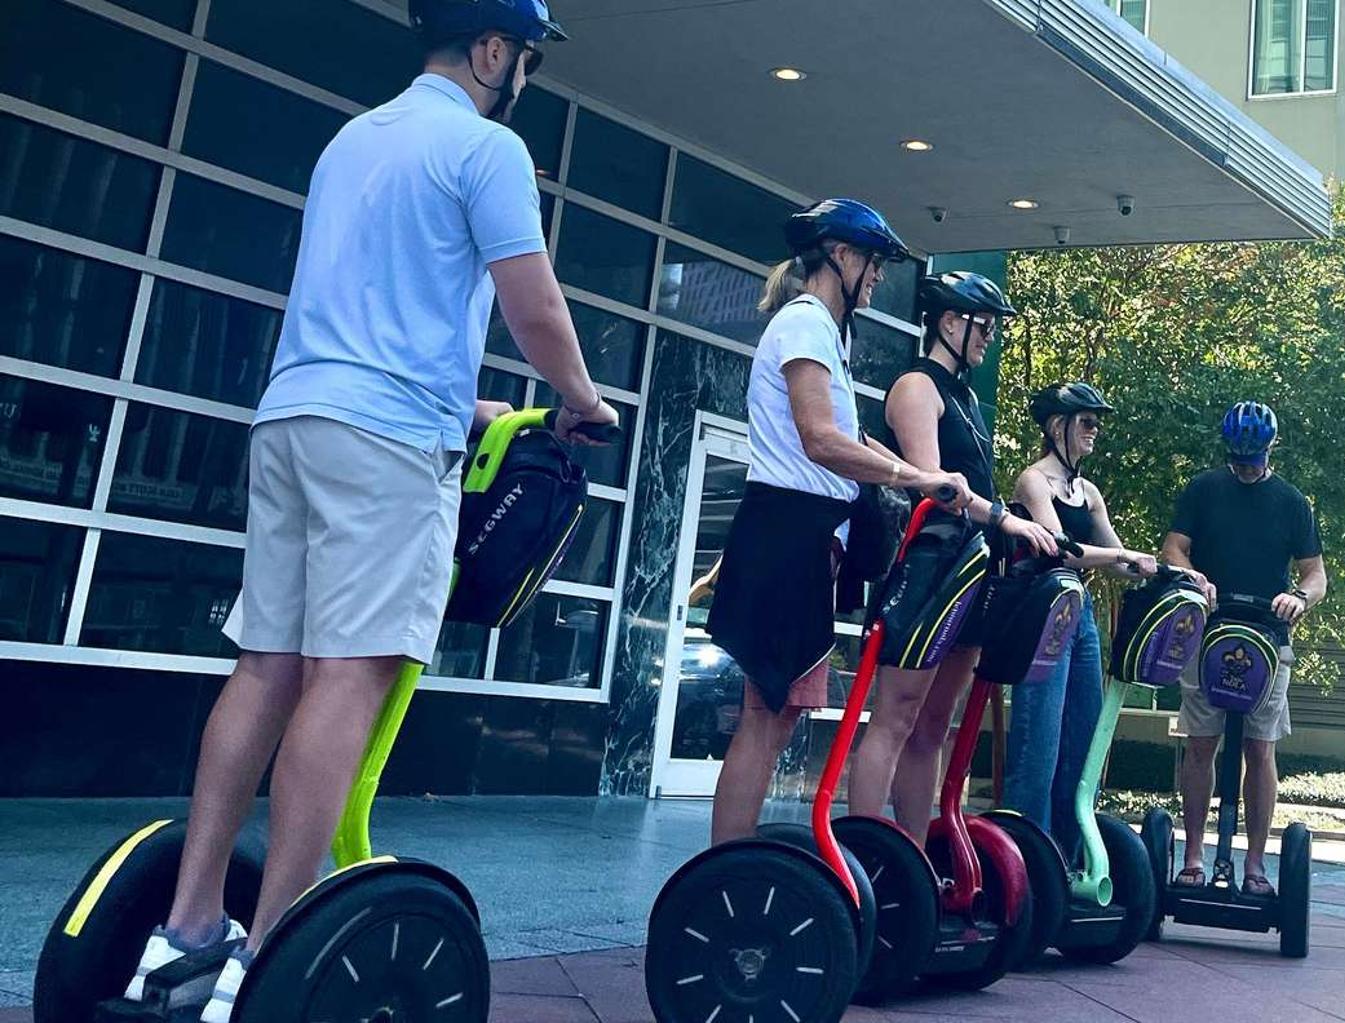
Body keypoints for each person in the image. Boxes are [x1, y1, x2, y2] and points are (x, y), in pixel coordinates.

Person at [129, 3, 621, 1019]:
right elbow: (533, 305)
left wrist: (471, 407)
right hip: (386, 442)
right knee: (348, 673)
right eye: (527, 59)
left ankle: (187, 925)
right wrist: (581, 400)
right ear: (493, 50)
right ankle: (274, 941)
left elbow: (371, 306)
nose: (525, 78)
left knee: (265, 665)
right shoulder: (486, 148)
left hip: (294, 419)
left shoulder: (352, 140)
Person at [703, 200, 980, 846]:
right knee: (764, 713)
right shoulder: (805, 322)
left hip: (807, 535)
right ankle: (724, 872)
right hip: (785, 529)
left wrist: (924, 477)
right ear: (841, 256)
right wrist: (914, 477)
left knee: (777, 716)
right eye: (873, 262)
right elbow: (820, 438)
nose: (879, 276)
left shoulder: (828, 333)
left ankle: (732, 868)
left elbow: (850, 437)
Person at [845, 272, 1056, 844]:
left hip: (971, 569)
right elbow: (935, 485)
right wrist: (1008, 518)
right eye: (982, 325)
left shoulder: (964, 396)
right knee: (897, 715)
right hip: (929, 569)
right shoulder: (917, 386)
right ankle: (869, 852)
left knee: (935, 724)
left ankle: (913, 858)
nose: (989, 336)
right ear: (948, 322)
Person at [1165, 401, 1326, 896]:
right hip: (1208, 631)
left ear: (1269, 450)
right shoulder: (1204, 489)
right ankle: (1193, 855)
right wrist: (1193, 576)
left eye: (1253, 460)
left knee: (1260, 748)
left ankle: (1254, 864)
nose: (1247, 468)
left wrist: (1298, 598)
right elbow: (1173, 547)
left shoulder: (1292, 502)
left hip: (1268, 639)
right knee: (1200, 744)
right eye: (1240, 460)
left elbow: (1316, 575)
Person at [1003, 382, 1159, 858]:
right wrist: (1123, 556)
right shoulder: (1034, 481)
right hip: (1043, 612)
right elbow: (1061, 548)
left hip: (1081, 614)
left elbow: (1118, 560)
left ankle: (1067, 860)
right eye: (1087, 422)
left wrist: (1171, 572)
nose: (1095, 431)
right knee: (1040, 745)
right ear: (1058, 426)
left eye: (1097, 423)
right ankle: (1028, 860)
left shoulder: (1087, 492)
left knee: (1082, 743)